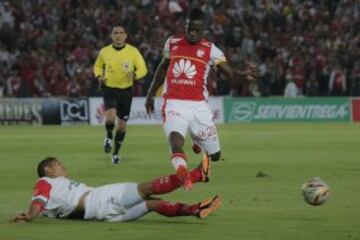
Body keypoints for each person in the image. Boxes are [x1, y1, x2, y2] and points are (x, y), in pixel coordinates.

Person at [145, 8, 259, 190]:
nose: (192, 32)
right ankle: (183, 171)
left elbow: (232, 76)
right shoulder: (172, 43)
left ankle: (197, 141)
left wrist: (244, 76)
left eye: (197, 30)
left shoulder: (211, 50)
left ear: (204, 29)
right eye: (189, 28)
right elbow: (162, 69)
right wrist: (150, 94)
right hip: (173, 103)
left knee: (215, 155)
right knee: (175, 140)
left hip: (199, 107)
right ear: (185, 25)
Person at [12, 156, 220, 223]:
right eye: (58, 164)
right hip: (98, 200)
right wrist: (30, 215)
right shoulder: (45, 182)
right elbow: (38, 200)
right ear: (48, 169)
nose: (62, 166)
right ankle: (197, 175)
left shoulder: (56, 193)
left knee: (152, 204)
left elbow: (46, 208)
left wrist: (33, 215)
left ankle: (194, 210)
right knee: (144, 189)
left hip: (104, 216)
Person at [94, 24, 148, 164]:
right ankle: (108, 136)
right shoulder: (105, 51)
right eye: (115, 33)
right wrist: (99, 76)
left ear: (125, 36)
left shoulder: (133, 51)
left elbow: (143, 69)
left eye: (121, 33)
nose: (118, 35)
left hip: (126, 91)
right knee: (110, 117)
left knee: (122, 125)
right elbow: (98, 66)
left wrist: (135, 74)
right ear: (112, 36)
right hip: (110, 89)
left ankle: (116, 154)